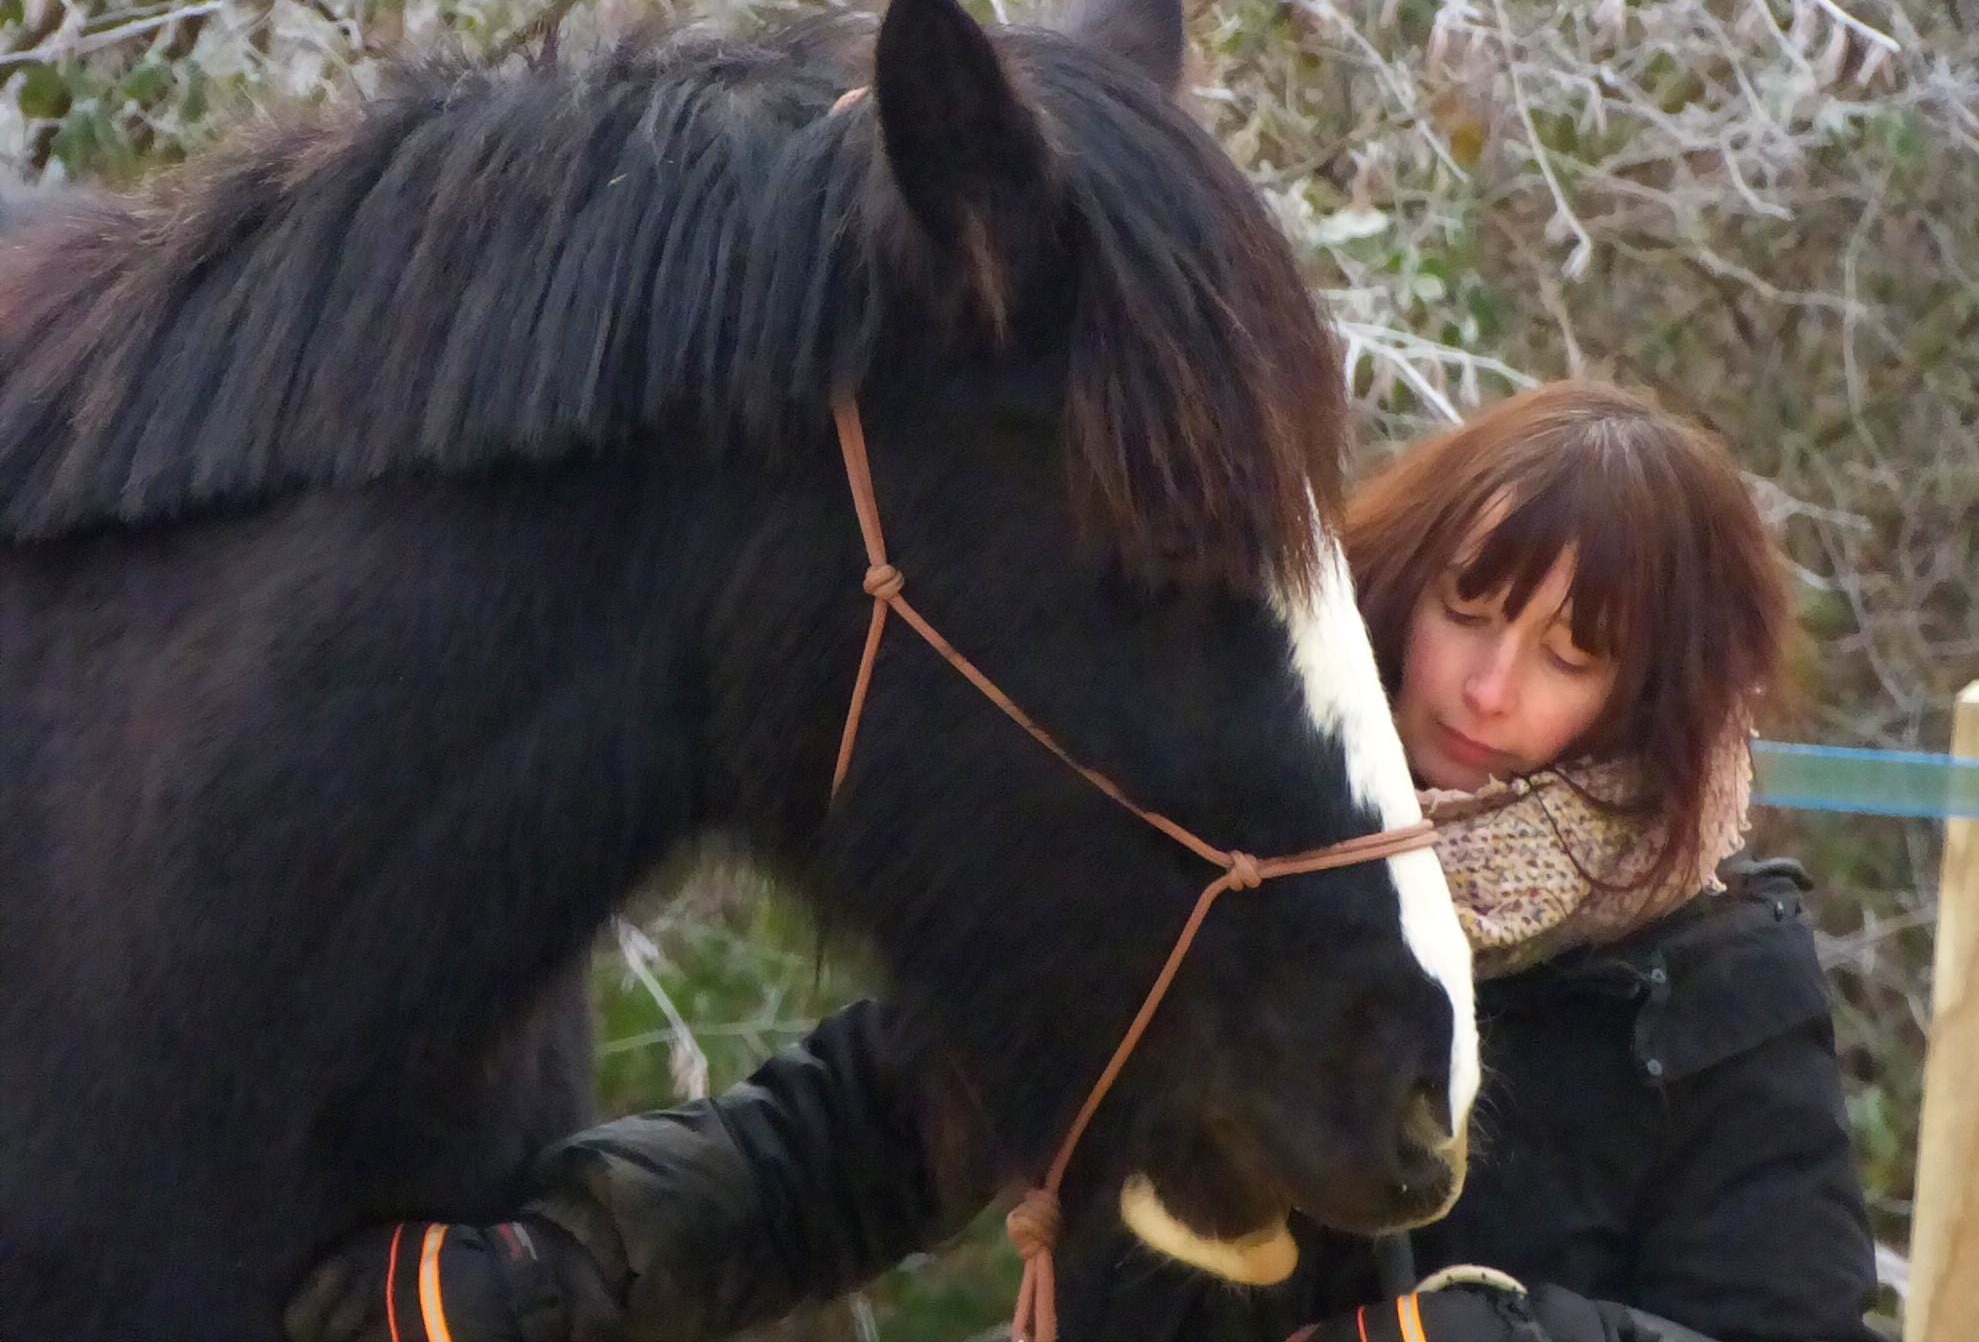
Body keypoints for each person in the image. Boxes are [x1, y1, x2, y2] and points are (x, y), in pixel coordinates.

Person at [288, 381, 1880, 1342]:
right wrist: (555, 1276)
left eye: (1569, 652)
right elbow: (868, 1131)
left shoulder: (1716, 979)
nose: (1486, 686)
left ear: (1647, 701)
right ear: (1395, 584)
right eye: (1474, 606)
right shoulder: (1231, 869)